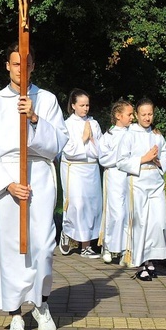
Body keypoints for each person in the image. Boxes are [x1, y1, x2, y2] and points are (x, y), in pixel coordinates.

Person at [0, 43, 69, 330]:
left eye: (26, 63)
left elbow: (57, 144)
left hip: (39, 176)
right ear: (7, 66)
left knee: (42, 245)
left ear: (33, 65)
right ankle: (16, 314)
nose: (21, 68)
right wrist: (6, 184)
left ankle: (41, 305)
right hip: (8, 179)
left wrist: (34, 119)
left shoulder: (47, 99)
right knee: (11, 249)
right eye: (15, 63)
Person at [116, 98, 166, 281]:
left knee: (158, 222)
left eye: (150, 114)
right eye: (144, 114)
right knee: (140, 223)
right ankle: (142, 263)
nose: (147, 118)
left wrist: (159, 161)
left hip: (155, 182)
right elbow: (121, 161)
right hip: (138, 182)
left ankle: (152, 258)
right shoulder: (129, 134)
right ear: (137, 115)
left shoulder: (157, 135)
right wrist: (143, 158)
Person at [59, 88, 103, 258]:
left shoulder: (94, 123)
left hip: (90, 169)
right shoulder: (67, 124)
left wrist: (91, 141)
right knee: (76, 204)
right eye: (82, 105)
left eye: (87, 105)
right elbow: (68, 149)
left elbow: (99, 150)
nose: (85, 108)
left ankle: (86, 245)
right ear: (73, 105)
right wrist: (84, 139)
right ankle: (67, 232)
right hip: (74, 169)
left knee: (91, 206)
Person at [97, 99, 135, 264]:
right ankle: (108, 245)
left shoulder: (133, 133)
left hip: (129, 176)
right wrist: (121, 158)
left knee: (128, 212)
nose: (132, 117)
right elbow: (103, 158)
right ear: (119, 116)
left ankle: (125, 249)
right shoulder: (109, 135)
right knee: (115, 212)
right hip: (113, 175)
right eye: (129, 114)